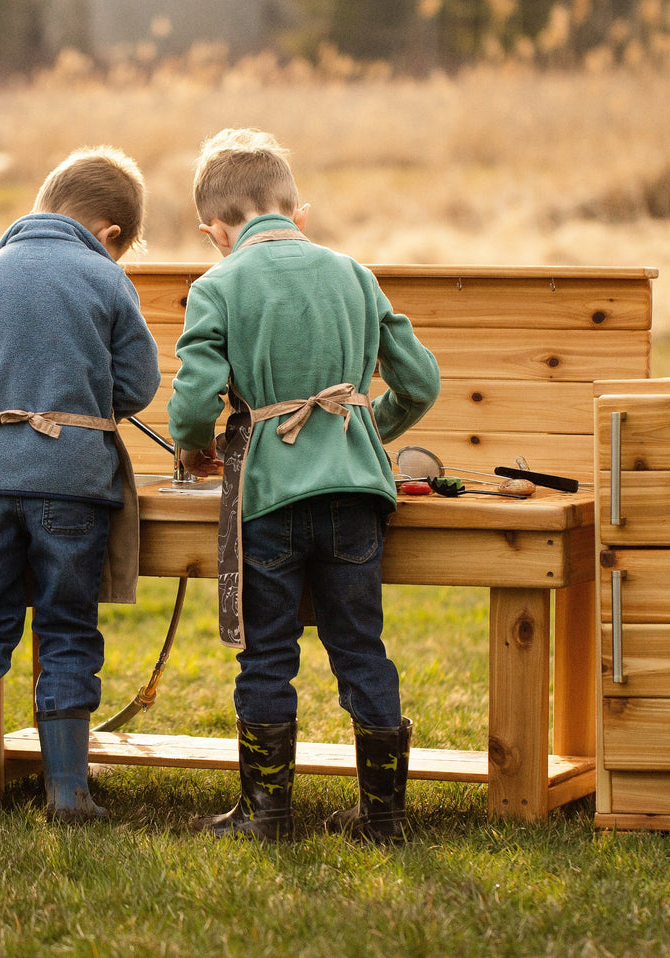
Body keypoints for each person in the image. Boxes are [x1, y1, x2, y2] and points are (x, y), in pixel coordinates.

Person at [166, 128, 441, 842]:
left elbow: (194, 402)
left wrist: (196, 449)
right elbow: (420, 380)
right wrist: (365, 430)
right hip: (355, 496)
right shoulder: (353, 273)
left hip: (270, 498)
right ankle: (384, 818)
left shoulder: (217, 284)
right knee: (360, 649)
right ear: (298, 213)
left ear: (214, 231)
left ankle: (267, 814)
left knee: (267, 653)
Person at [0, 146, 160, 826]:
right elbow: (138, 386)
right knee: (65, 626)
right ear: (110, 234)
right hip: (69, 480)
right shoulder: (104, 278)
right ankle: (67, 793)